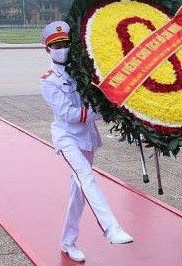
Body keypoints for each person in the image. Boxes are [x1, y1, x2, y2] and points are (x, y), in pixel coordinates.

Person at [40, 21, 133, 262]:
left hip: (87, 137)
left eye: (65, 44)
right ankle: (111, 227)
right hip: (67, 137)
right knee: (86, 176)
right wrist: (104, 111)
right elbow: (69, 113)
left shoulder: (80, 70)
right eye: (56, 45)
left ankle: (68, 241)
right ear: (47, 50)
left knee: (79, 194)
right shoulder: (48, 80)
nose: (62, 48)